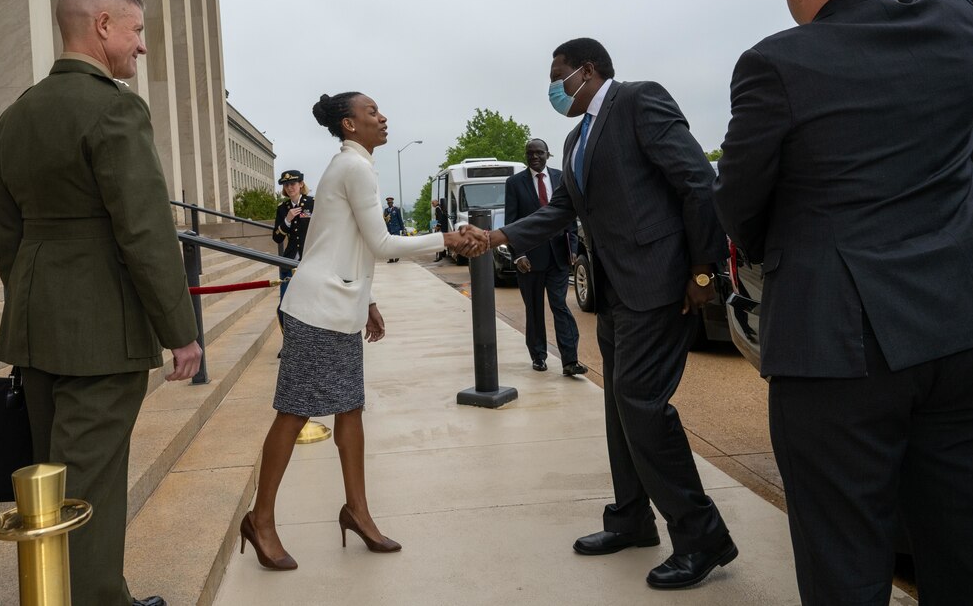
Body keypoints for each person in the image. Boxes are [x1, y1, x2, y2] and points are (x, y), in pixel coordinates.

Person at [713, 0, 973, 606]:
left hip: (836, 345)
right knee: (964, 537)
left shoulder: (775, 62)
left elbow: (739, 202)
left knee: (844, 552)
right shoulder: (955, 26)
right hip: (960, 329)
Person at [487, 38, 734, 590]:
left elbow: (698, 181)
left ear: (587, 69)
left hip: (661, 285)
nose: (553, 89)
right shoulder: (576, 138)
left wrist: (702, 270)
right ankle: (631, 519)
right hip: (615, 292)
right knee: (620, 407)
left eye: (558, 75)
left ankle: (702, 535)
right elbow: (561, 210)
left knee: (642, 405)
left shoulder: (639, 101)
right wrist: (499, 235)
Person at [0, 0, 202, 606]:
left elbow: (8, 236)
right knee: (90, 487)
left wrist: (34, 305)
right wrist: (180, 331)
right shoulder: (114, 108)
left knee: (50, 483)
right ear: (102, 26)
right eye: (136, 31)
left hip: (37, 326)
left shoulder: (13, 116)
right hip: (102, 333)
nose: (141, 47)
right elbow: (145, 232)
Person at [239, 91, 487, 571]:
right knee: (293, 415)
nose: (383, 116)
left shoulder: (350, 167)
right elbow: (380, 241)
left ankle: (357, 511)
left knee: (350, 411)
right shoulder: (353, 167)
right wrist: (448, 237)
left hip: (338, 306)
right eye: (372, 112)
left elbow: (336, 242)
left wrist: (366, 299)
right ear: (350, 125)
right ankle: (261, 519)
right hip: (315, 311)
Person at [504, 138, 584, 376]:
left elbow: (570, 217)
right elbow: (512, 222)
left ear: (548, 154)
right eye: (530, 154)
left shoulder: (561, 178)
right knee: (535, 310)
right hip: (529, 261)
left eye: (539, 153)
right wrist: (518, 255)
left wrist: (572, 250)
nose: (534, 157)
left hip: (558, 257)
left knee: (560, 306)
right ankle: (538, 356)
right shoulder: (514, 183)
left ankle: (570, 361)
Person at [272, 169, 313, 335]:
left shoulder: (312, 203)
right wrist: (287, 220)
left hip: (309, 259)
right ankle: (288, 342)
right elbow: (277, 238)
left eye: (293, 184)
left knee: (309, 304)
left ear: (301, 184)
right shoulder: (282, 208)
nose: (290, 187)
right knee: (285, 305)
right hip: (289, 261)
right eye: (286, 185)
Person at [383, 195, 403, 262]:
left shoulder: (396, 209)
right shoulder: (386, 210)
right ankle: (391, 258)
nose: (389, 203)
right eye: (388, 203)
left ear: (392, 203)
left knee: (396, 243)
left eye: (390, 202)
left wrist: (402, 229)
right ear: (387, 203)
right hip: (389, 229)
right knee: (389, 244)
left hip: (396, 228)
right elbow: (384, 220)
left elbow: (400, 219)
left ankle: (397, 256)